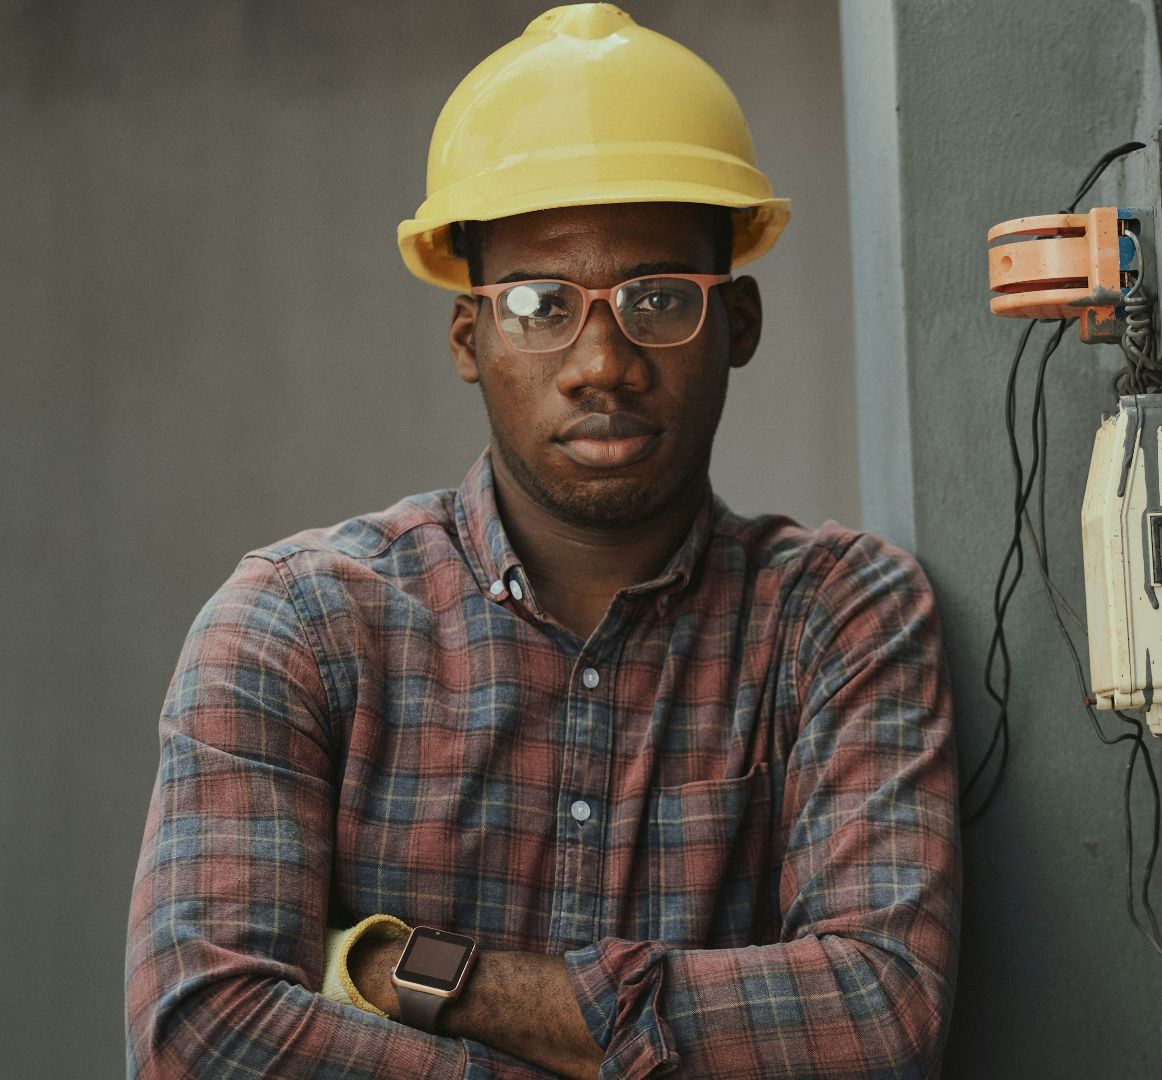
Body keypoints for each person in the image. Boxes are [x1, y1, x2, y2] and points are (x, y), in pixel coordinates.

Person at [123, 6, 960, 1077]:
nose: (601, 362)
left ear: (739, 324)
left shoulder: (839, 617)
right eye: (537, 302)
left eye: (658, 298)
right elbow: (202, 1035)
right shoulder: (297, 627)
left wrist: (426, 977)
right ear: (471, 337)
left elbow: (878, 1013)